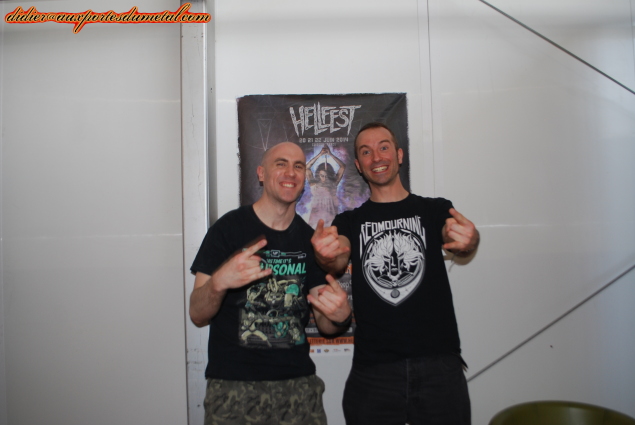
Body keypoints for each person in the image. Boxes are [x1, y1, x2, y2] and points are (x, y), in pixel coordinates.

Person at [311, 123, 480, 425]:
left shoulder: (434, 210)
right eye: (366, 152)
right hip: (374, 370)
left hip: (439, 366)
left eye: (384, 147)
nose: (377, 157)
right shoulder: (349, 221)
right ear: (359, 165)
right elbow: (338, 258)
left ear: (399, 155)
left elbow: (455, 237)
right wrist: (327, 253)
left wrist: (469, 239)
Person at [190, 142, 352, 425]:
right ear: (261, 173)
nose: (290, 172)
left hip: (298, 388)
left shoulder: (309, 240)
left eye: (298, 166)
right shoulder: (227, 229)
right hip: (233, 388)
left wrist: (340, 316)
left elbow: (325, 325)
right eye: (281, 163)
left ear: (303, 178)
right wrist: (219, 282)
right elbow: (197, 314)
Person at [305, 145, 346, 228]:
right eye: (322, 175)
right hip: (315, 221)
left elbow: (342, 167)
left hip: (331, 219)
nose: (324, 178)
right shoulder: (314, 185)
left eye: (326, 176)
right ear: (318, 175)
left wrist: (330, 154)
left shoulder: (333, 184)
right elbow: (306, 168)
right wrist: (320, 154)